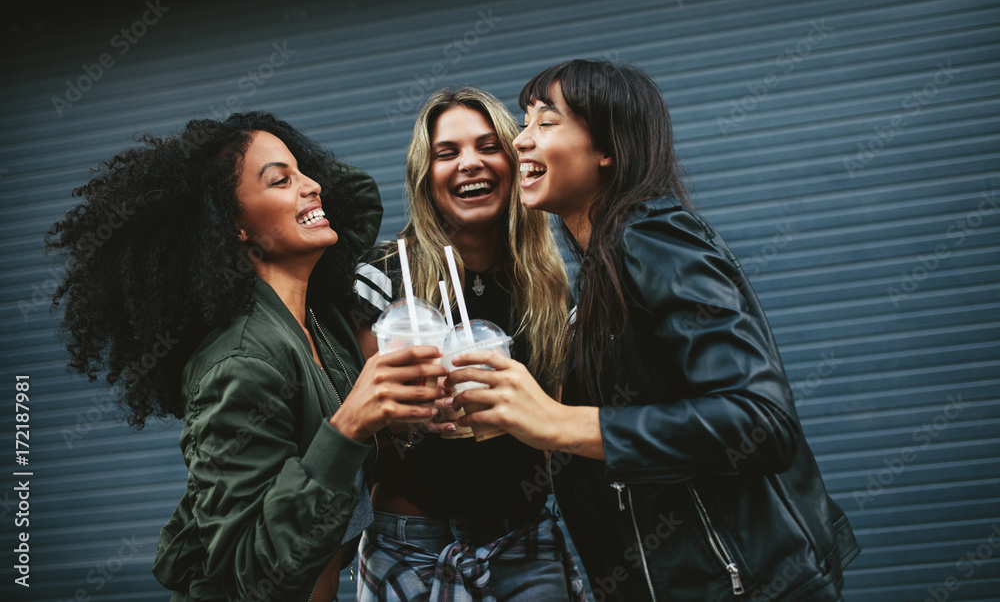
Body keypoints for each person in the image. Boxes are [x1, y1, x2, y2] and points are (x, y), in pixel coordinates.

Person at [446, 60, 861, 601]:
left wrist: (558, 423)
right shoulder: (599, 278)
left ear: (608, 149)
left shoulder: (655, 237)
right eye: (524, 122)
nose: (520, 141)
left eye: (546, 123)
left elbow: (761, 421)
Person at [45, 111, 447, 602]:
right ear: (233, 225)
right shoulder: (241, 365)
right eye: (281, 180)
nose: (314, 185)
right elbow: (249, 575)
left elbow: (356, 196)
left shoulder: (316, 312)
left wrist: (277, 160)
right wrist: (349, 428)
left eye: (305, 169)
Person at [350, 87, 584, 601]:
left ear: (513, 159)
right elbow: (362, 422)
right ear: (424, 175)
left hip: (523, 540)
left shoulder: (547, 283)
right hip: (412, 545)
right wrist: (407, 419)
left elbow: (559, 423)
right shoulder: (386, 278)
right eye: (447, 153)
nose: (469, 163)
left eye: (487, 146)